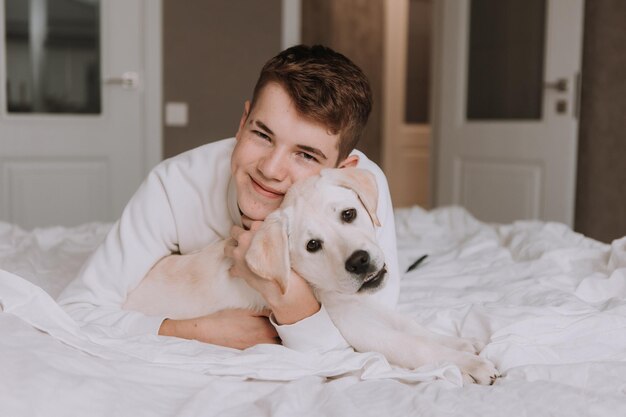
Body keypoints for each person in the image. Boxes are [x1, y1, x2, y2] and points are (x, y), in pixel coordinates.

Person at [57, 44, 400, 352]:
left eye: (306, 155)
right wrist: (196, 331)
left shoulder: (355, 193)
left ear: (342, 167)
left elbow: (372, 332)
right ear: (242, 123)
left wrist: (289, 298)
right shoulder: (173, 185)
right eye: (262, 134)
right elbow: (77, 309)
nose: (270, 169)